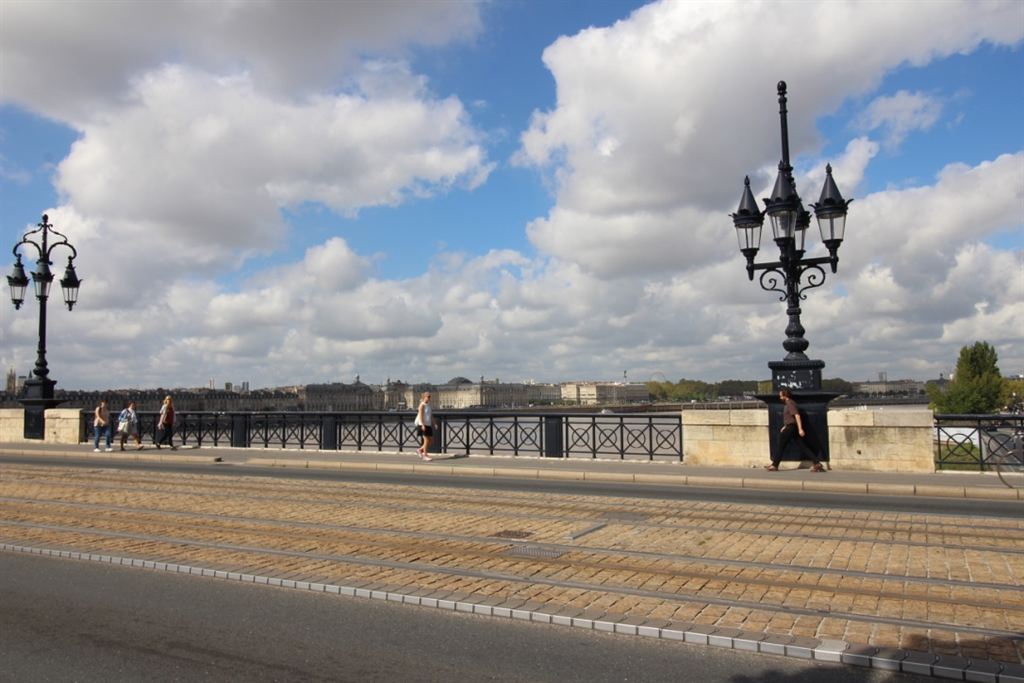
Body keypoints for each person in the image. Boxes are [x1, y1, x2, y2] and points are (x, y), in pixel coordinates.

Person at [766, 388, 824, 472]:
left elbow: (797, 415)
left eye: (781, 395)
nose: (779, 397)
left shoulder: (789, 403)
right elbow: (790, 417)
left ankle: (774, 465)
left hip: (791, 427)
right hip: (790, 427)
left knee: (781, 446)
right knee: (803, 446)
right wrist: (785, 426)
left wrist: (800, 429)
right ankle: (816, 463)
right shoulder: (788, 403)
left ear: (785, 395)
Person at [414, 391, 434, 461]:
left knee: (430, 440)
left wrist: (434, 423)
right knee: (426, 440)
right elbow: (421, 416)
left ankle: (419, 450)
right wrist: (422, 425)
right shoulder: (421, 405)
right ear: (424, 397)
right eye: (428, 396)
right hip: (423, 425)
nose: (429, 398)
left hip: (428, 424)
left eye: (429, 396)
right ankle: (424, 455)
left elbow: (431, 415)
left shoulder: (428, 405)